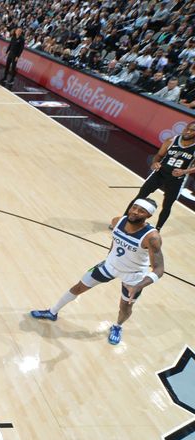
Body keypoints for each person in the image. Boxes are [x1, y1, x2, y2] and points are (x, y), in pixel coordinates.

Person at [30, 198, 164, 345]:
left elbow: (159, 270)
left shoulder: (152, 237)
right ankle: (52, 312)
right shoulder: (117, 221)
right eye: (134, 207)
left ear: (148, 216)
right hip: (109, 266)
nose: (135, 212)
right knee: (78, 287)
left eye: (141, 211)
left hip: (133, 276)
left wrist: (138, 285)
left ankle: (117, 326)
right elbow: (115, 240)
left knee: (125, 307)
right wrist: (109, 256)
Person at [122, 121, 195, 230]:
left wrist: (185, 171)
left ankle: (157, 230)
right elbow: (159, 155)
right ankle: (124, 221)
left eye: (192, 130)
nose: (188, 131)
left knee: (167, 205)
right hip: (160, 173)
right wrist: (154, 163)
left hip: (177, 179)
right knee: (140, 197)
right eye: (187, 128)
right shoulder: (171, 140)